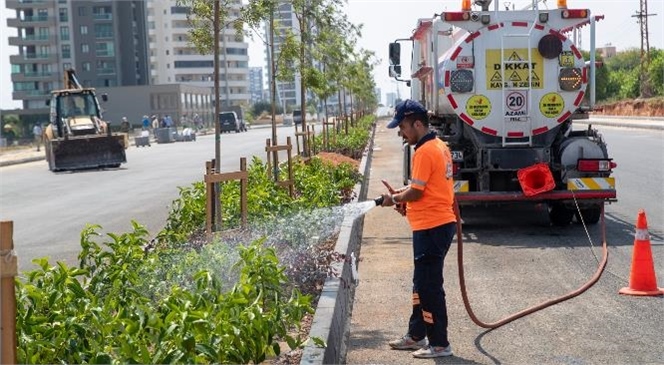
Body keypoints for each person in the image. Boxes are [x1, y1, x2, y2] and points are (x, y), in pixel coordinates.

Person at [378, 99, 457, 359]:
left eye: (403, 126)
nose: (401, 132)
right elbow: (426, 189)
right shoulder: (438, 146)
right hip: (431, 225)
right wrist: (403, 198)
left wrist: (396, 199)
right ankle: (415, 335)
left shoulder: (424, 151)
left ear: (418, 124)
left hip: (433, 228)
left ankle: (439, 344)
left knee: (429, 286)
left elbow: (416, 191)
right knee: (420, 284)